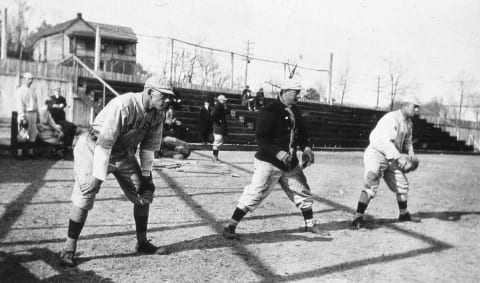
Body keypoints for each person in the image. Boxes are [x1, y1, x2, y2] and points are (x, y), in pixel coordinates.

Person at [59, 76, 175, 267]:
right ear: (150, 92)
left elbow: (148, 148)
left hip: (122, 153)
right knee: (87, 191)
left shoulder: (158, 114)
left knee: (145, 192)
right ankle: (69, 248)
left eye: (170, 96)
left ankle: (142, 243)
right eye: (164, 95)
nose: (169, 100)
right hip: (94, 148)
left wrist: (146, 175)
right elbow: (105, 143)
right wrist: (98, 176)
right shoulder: (125, 104)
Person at [222, 81, 331, 240]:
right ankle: (230, 226)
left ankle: (310, 224)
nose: (299, 95)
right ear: (285, 91)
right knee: (256, 192)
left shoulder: (295, 111)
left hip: (290, 163)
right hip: (269, 162)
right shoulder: (270, 110)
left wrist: (306, 148)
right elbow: (261, 138)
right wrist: (278, 152)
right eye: (296, 92)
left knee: (303, 192)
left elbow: (302, 135)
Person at [352, 95, 422, 229]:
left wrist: (411, 152)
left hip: (392, 156)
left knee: (402, 184)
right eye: (415, 107)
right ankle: (358, 216)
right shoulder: (390, 119)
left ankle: (404, 214)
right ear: (405, 105)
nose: (417, 110)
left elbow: (407, 140)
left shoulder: (408, 122)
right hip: (377, 154)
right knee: (371, 183)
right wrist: (400, 157)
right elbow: (385, 143)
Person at [15, 72, 38, 158]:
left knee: (32, 133)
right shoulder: (20, 90)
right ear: (24, 79)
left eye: (32, 79)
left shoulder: (33, 91)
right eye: (29, 79)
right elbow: (19, 104)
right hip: (26, 113)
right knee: (23, 133)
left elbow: (36, 104)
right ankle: (20, 153)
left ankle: (30, 153)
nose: (31, 81)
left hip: (33, 114)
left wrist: (37, 115)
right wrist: (22, 116)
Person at [50, 88, 77, 156]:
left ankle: (69, 146)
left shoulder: (62, 98)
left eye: (59, 90)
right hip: (54, 119)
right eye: (56, 90)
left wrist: (61, 106)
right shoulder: (51, 98)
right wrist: (55, 106)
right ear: (54, 91)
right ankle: (63, 148)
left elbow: (64, 104)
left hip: (62, 119)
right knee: (64, 130)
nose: (58, 91)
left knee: (72, 126)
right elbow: (50, 106)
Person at [210, 95, 228, 162]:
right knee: (217, 142)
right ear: (220, 100)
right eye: (223, 100)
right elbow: (212, 115)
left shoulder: (220, 106)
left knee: (218, 142)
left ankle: (215, 157)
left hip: (219, 128)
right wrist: (218, 121)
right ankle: (215, 158)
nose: (225, 101)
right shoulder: (218, 106)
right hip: (218, 128)